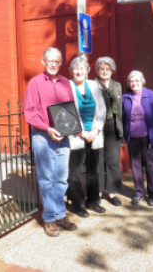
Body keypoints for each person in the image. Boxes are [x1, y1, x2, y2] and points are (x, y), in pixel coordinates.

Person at [23, 47, 78, 237]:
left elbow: (69, 109)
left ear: (60, 63)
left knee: (61, 178)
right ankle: (49, 218)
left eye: (57, 61)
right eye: (50, 61)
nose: (53, 64)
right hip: (43, 136)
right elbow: (30, 112)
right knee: (46, 179)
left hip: (63, 137)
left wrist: (72, 128)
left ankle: (60, 214)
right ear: (43, 61)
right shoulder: (35, 83)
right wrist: (48, 129)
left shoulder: (65, 83)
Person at [67, 56, 106, 217]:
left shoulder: (94, 86)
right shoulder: (66, 87)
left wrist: (95, 130)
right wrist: (82, 132)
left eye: (82, 68)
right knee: (74, 173)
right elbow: (66, 112)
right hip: (76, 135)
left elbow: (102, 109)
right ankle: (77, 204)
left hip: (94, 134)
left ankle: (93, 201)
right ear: (71, 71)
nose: (79, 71)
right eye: (76, 68)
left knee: (94, 170)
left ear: (87, 71)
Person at [122, 71, 153, 206]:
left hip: (148, 138)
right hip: (133, 138)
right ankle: (139, 193)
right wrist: (124, 136)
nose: (134, 83)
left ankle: (152, 194)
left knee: (150, 167)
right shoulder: (125, 97)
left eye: (137, 80)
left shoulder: (152, 95)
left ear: (142, 81)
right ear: (129, 83)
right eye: (131, 81)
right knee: (136, 167)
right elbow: (123, 119)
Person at [95, 57, 123, 207]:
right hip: (97, 126)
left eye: (108, 69)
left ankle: (111, 193)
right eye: (102, 69)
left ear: (112, 71)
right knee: (98, 160)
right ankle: (98, 192)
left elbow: (121, 108)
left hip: (113, 125)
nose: (105, 71)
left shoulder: (117, 86)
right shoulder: (92, 85)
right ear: (97, 71)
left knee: (113, 160)